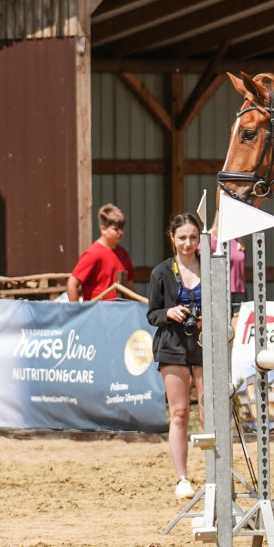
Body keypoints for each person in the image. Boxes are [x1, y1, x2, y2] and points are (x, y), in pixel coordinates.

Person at [147, 213, 204, 500]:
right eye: (182, 237)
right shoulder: (161, 272)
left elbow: (227, 303)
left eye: (193, 237)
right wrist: (169, 312)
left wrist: (208, 318)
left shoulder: (210, 267)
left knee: (210, 413)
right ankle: (182, 478)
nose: (188, 243)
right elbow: (152, 314)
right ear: (172, 237)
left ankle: (215, 473)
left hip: (206, 347)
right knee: (180, 413)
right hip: (172, 346)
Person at [66, 203, 136, 301]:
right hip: (97, 312)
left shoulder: (123, 254)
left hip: (121, 311)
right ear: (103, 229)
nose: (120, 232)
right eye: (115, 229)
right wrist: (75, 312)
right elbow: (72, 283)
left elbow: (129, 286)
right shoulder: (93, 254)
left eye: (122, 228)